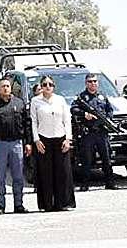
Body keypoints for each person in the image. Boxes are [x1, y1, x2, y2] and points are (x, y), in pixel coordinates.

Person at [0, 77, 31, 215]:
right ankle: (0, 205)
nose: (5, 88)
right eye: (2, 86)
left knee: (18, 176)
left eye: (7, 86)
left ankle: (19, 204)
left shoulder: (19, 103)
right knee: (0, 176)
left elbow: (27, 124)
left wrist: (28, 142)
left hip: (17, 144)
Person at [30, 76, 74, 212]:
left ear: (54, 86)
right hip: (43, 139)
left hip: (61, 139)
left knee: (63, 172)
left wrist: (68, 139)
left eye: (50, 84)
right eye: (44, 84)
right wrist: (36, 140)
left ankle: (63, 203)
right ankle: (47, 204)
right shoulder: (35, 101)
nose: (47, 87)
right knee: (45, 173)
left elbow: (67, 120)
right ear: (41, 87)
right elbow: (33, 121)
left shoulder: (60, 100)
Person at [71, 73, 117, 192]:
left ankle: (110, 182)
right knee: (87, 159)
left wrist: (108, 120)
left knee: (106, 158)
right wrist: (84, 114)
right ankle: (85, 184)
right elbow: (73, 109)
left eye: (95, 81)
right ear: (86, 83)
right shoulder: (82, 97)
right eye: (90, 81)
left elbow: (110, 110)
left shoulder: (102, 96)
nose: (93, 83)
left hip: (102, 132)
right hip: (89, 133)